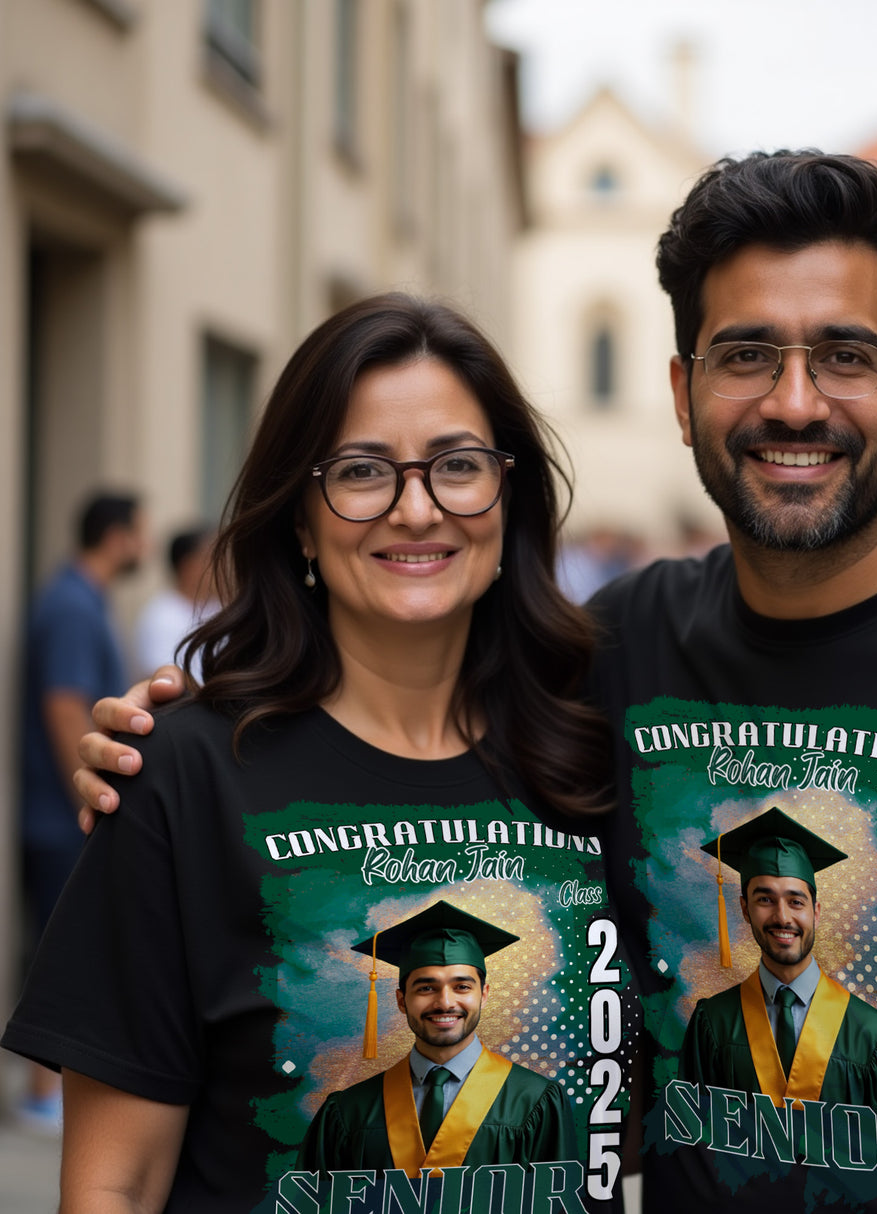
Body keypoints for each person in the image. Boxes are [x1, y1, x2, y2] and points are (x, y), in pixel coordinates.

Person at [76, 153, 877, 1212]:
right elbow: (379, 704)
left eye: (846, 356)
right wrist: (165, 747)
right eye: (745, 354)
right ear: (682, 390)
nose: (794, 402)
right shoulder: (612, 652)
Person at [5, 294, 629, 1213]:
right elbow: (115, 1187)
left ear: (509, 500)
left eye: (458, 465)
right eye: (361, 471)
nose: (416, 508)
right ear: (299, 519)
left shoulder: (591, 761)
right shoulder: (186, 778)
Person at [17, 490, 145, 1132]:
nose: (144, 545)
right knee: (62, 948)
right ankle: (43, 1094)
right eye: (139, 532)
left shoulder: (82, 599)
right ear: (117, 536)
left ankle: (46, 1091)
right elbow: (65, 706)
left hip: (60, 815)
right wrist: (91, 803)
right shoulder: (71, 605)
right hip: (62, 817)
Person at [298, 900, 576, 1177]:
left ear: (484, 995)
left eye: (462, 986)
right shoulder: (349, 1111)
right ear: (401, 1000)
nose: (445, 1002)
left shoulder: (534, 1101)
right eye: (426, 988)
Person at [677, 809, 877, 1113]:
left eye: (796, 901)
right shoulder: (713, 1025)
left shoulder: (872, 1035)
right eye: (765, 900)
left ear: (815, 912)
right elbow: (692, 1136)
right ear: (744, 909)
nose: (782, 917)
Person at [133, 526, 219, 679]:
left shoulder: (220, 608)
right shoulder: (162, 616)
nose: (221, 566)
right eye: (212, 558)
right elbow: (162, 679)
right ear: (188, 566)